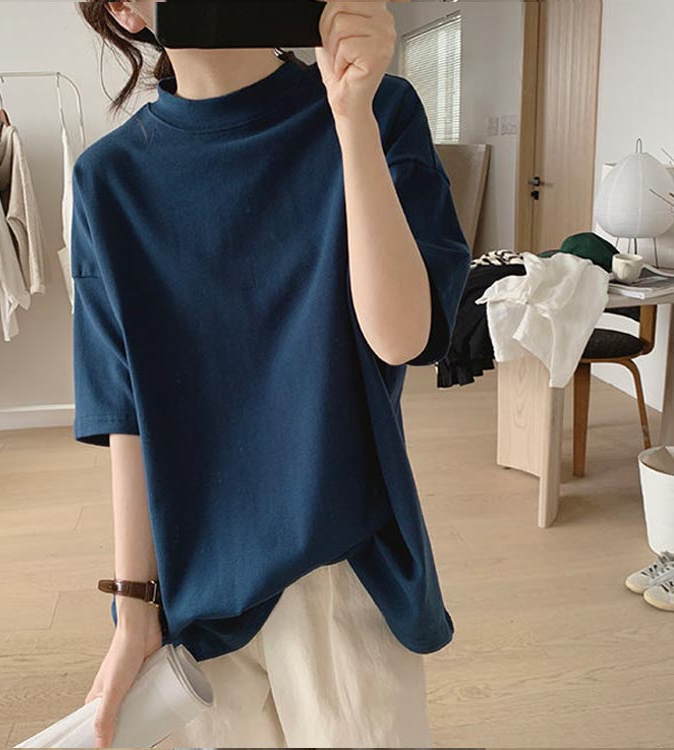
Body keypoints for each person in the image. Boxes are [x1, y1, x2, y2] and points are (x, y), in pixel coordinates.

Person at [73, 1, 471, 747]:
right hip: (195, 587)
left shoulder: (380, 106)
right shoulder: (108, 180)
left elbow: (401, 338)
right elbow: (125, 412)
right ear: (123, 8)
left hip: (345, 567)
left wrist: (351, 120)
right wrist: (134, 609)